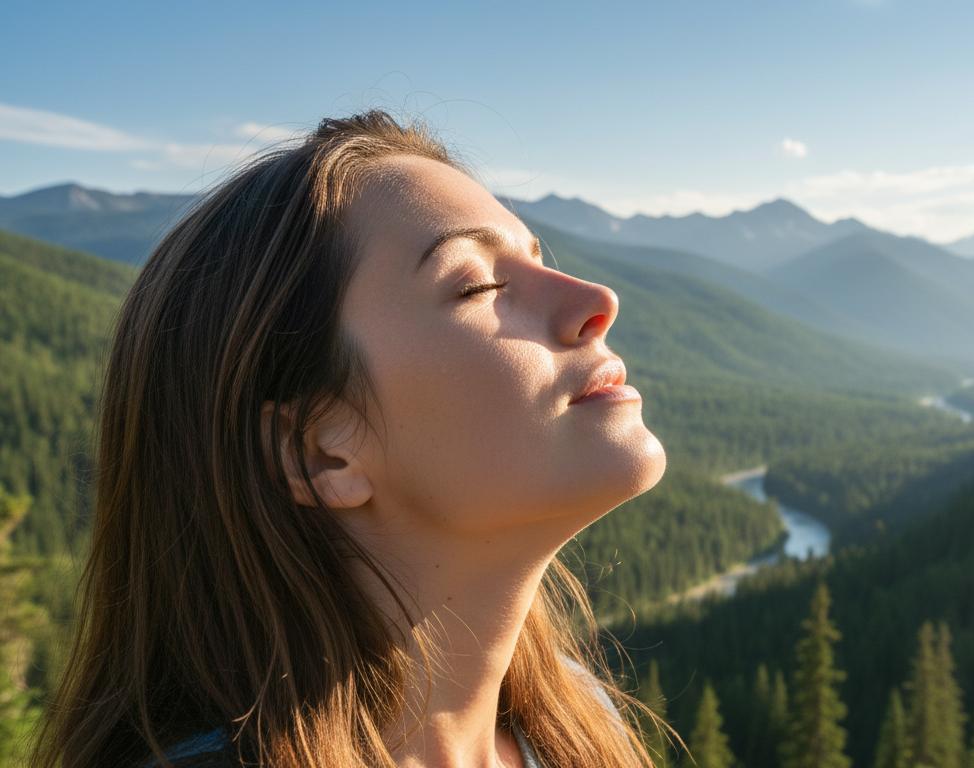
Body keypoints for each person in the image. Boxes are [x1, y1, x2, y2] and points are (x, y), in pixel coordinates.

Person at [29, 110, 675, 767]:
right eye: (478, 285)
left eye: (540, 260)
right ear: (322, 449)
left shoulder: (579, 723)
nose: (597, 299)